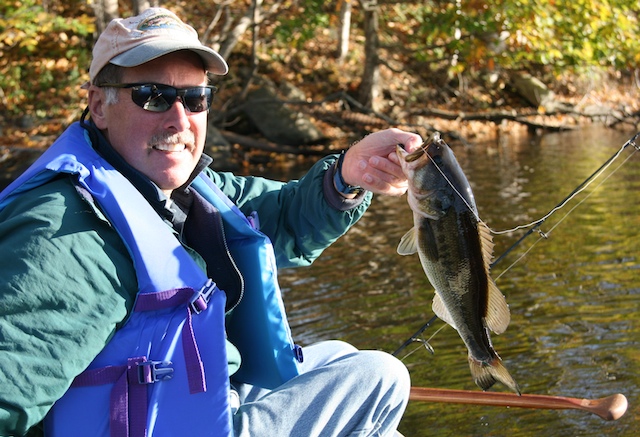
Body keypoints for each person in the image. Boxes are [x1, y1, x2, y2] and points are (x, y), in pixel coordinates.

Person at [0, 8, 423, 437]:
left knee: (338, 356)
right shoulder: (67, 235)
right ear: (99, 106)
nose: (180, 119)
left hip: (205, 404)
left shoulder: (183, 190)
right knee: (380, 375)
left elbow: (284, 216)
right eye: (153, 95)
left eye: (195, 98)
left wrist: (348, 174)